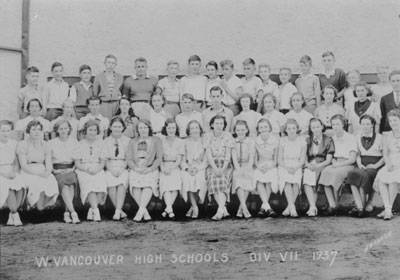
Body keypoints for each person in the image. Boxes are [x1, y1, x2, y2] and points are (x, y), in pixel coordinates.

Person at [319, 114, 357, 215]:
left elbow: (352, 159)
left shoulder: (350, 137)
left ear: (343, 124)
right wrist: (334, 162)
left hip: (347, 164)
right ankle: (332, 205)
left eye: (337, 124)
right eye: (333, 124)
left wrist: (339, 165)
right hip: (335, 163)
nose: (335, 126)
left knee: (335, 174)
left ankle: (336, 203)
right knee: (325, 172)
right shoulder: (332, 138)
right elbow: (331, 154)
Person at [17, 121, 59, 211]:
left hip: (42, 169)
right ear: (29, 131)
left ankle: (40, 207)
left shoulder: (45, 144)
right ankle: (37, 207)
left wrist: (47, 171)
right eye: (34, 129)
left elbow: (48, 163)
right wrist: (37, 173)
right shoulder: (22, 144)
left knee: (51, 181)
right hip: (28, 170)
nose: (37, 132)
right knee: (36, 182)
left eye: (39, 130)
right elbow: (23, 165)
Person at [347, 115, 383, 218]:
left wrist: (376, 166)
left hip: (375, 164)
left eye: (368, 124)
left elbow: (385, 156)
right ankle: (360, 206)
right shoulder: (357, 136)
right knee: (352, 173)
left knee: (365, 175)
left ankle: (362, 206)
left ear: (372, 125)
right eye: (363, 124)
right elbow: (357, 154)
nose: (365, 126)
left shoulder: (380, 137)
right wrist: (359, 164)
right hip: (362, 163)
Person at [126, 120, 162, 222]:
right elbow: (128, 159)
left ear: (149, 128)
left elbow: (159, 158)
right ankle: (144, 211)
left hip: (150, 167)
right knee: (135, 184)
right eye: (141, 128)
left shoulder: (156, 140)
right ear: (137, 130)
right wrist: (135, 168)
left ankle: (140, 211)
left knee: (148, 184)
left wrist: (150, 168)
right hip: (136, 167)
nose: (143, 130)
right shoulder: (132, 141)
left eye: (145, 127)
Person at [72, 120, 107, 222]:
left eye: (94, 130)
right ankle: (96, 211)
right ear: (85, 131)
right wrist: (87, 169)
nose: (92, 132)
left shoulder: (101, 144)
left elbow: (103, 162)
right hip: (83, 169)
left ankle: (92, 209)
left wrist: (96, 169)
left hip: (97, 168)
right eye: (90, 130)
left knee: (101, 181)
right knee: (89, 182)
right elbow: (77, 163)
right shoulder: (79, 144)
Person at [49, 119, 80, 224]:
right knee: (64, 183)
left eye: (65, 128)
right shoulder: (51, 143)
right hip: (57, 170)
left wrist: (73, 168)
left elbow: (77, 159)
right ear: (57, 130)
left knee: (71, 183)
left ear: (69, 129)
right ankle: (73, 212)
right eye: (60, 128)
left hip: (70, 169)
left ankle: (67, 213)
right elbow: (48, 160)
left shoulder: (74, 142)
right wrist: (54, 171)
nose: (63, 130)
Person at [303, 118, 334, 217]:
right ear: (311, 129)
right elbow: (304, 156)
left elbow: (328, 160)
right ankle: (313, 206)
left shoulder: (328, 140)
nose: (316, 129)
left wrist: (318, 166)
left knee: (314, 175)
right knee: (308, 173)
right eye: (313, 127)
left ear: (322, 127)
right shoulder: (308, 140)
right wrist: (307, 165)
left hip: (322, 164)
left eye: (318, 126)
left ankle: (312, 207)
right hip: (310, 164)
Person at [205, 115, 234, 221]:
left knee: (222, 179)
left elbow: (228, 155)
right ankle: (222, 209)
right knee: (213, 179)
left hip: (225, 165)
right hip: (212, 165)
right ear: (212, 124)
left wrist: (222, 169)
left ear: (224, 125)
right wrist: (215, 168)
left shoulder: (228, 136)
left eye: (221, 123)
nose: (219, 126)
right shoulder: (207, 136)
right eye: (216, 123)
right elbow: (208, 155)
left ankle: (220, 209)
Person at [374, 109, 400, 220]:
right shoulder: (386, 135)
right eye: (391, 121)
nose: (393, 123)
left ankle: (387, 210)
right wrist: (388, 163)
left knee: (394, 178)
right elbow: (385, 153)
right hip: (390, 161)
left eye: (395, 120)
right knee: (382, 178)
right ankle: (388, 209)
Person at [102, 117, 130, 221]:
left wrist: (122, 168)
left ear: (123, 127)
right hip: (110, 165)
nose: (117, 129)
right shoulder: (106, 141)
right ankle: (119, 210)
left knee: (122, 182)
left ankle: (117, 211)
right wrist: (112, 170)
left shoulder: (127, 140)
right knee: (111, 183)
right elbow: (105, 159)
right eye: (114, 126)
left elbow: (128, 157)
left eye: (119, 126)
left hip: (123, 165)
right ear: (110, 127)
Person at [278, 118, 307, 218]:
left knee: (295, 181)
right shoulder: (282, 141)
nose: (291, 130)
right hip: (284, 165)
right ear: (286, 130)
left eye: (293, 128)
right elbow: (279, 159)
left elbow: (302, 160)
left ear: (297, 129)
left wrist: (295, 168)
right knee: (286, 180)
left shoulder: (302, 141)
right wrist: (286, 168)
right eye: (289, 128)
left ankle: (289, 206)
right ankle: (292, 206)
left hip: (296, 165)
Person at [0, 120, 26, 226]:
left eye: (8, 131)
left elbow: (16, 162)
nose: (5, 133)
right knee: (8, 186)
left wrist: (14, 171)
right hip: (1, 172)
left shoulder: (14, 143)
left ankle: (12, 213)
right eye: (3, 131)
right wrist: (5, 174)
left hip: (11, 170)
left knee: (20, 185)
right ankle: (15, 214)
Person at [181, 120, 207, 219]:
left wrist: (197, 168)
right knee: (188, 178)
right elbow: (182, 160)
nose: (195, 130)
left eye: (196, 128)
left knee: (199, 179)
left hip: (200, 167)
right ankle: (195, 206)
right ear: (189, 130)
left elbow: (206, 161)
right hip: (188, 167)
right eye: (192, 128)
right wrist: (187, 168)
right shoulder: (185, 142)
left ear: (200, 129)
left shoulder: (204, 141)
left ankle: (193, 206)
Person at [253, 118, 279, 218]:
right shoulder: (255, 141)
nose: (263, 129)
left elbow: (276, 160)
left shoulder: (275, 141)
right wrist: (259, 166)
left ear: (269, 128)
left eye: (265, 127)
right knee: (258, 179)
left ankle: (264, 207)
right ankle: (267, 207)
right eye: (261, 127)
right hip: (260, 164)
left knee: (269, 179)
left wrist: (269, 167)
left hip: (271, 164)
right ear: (258, 129)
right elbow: (255, 159)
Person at [159, 119, 184, 220]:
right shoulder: (161, 141)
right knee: (165, 184)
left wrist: (171, 168)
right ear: (165, 128)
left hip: (174, 166)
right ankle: (169, 209)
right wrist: (163, 168)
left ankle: (168, 209)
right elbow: (159, 157)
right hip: (164, 165)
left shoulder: (180, 142)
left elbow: (179, 160)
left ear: (176, 129)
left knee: (175, 184)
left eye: (173, 128)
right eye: (169, 128)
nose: (171, 130)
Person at [232, 120, 255, 219]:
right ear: (235, 131)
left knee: (247, 178)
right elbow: (233, 159)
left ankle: (241, 208)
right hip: (237, 166)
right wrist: (239, 170)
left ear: (246, 130)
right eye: (238, 130)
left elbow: (251, 157)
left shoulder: (250, 142)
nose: (240, 132)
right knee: (238, 179)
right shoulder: (232, 142)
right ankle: (244, 207)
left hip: (248, 165)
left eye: (242, 130)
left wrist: (247, 169)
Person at [93, 54, 124, 120]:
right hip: (104, 104)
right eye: (109, 62)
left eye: (113, 63)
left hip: (116, 104)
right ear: (105, 63)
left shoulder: (120, 77)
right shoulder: (99, 77)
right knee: (105, 123)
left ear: (116, 65)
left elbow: (121, 90)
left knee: (116, 122)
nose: (111, 65)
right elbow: (95, 93)